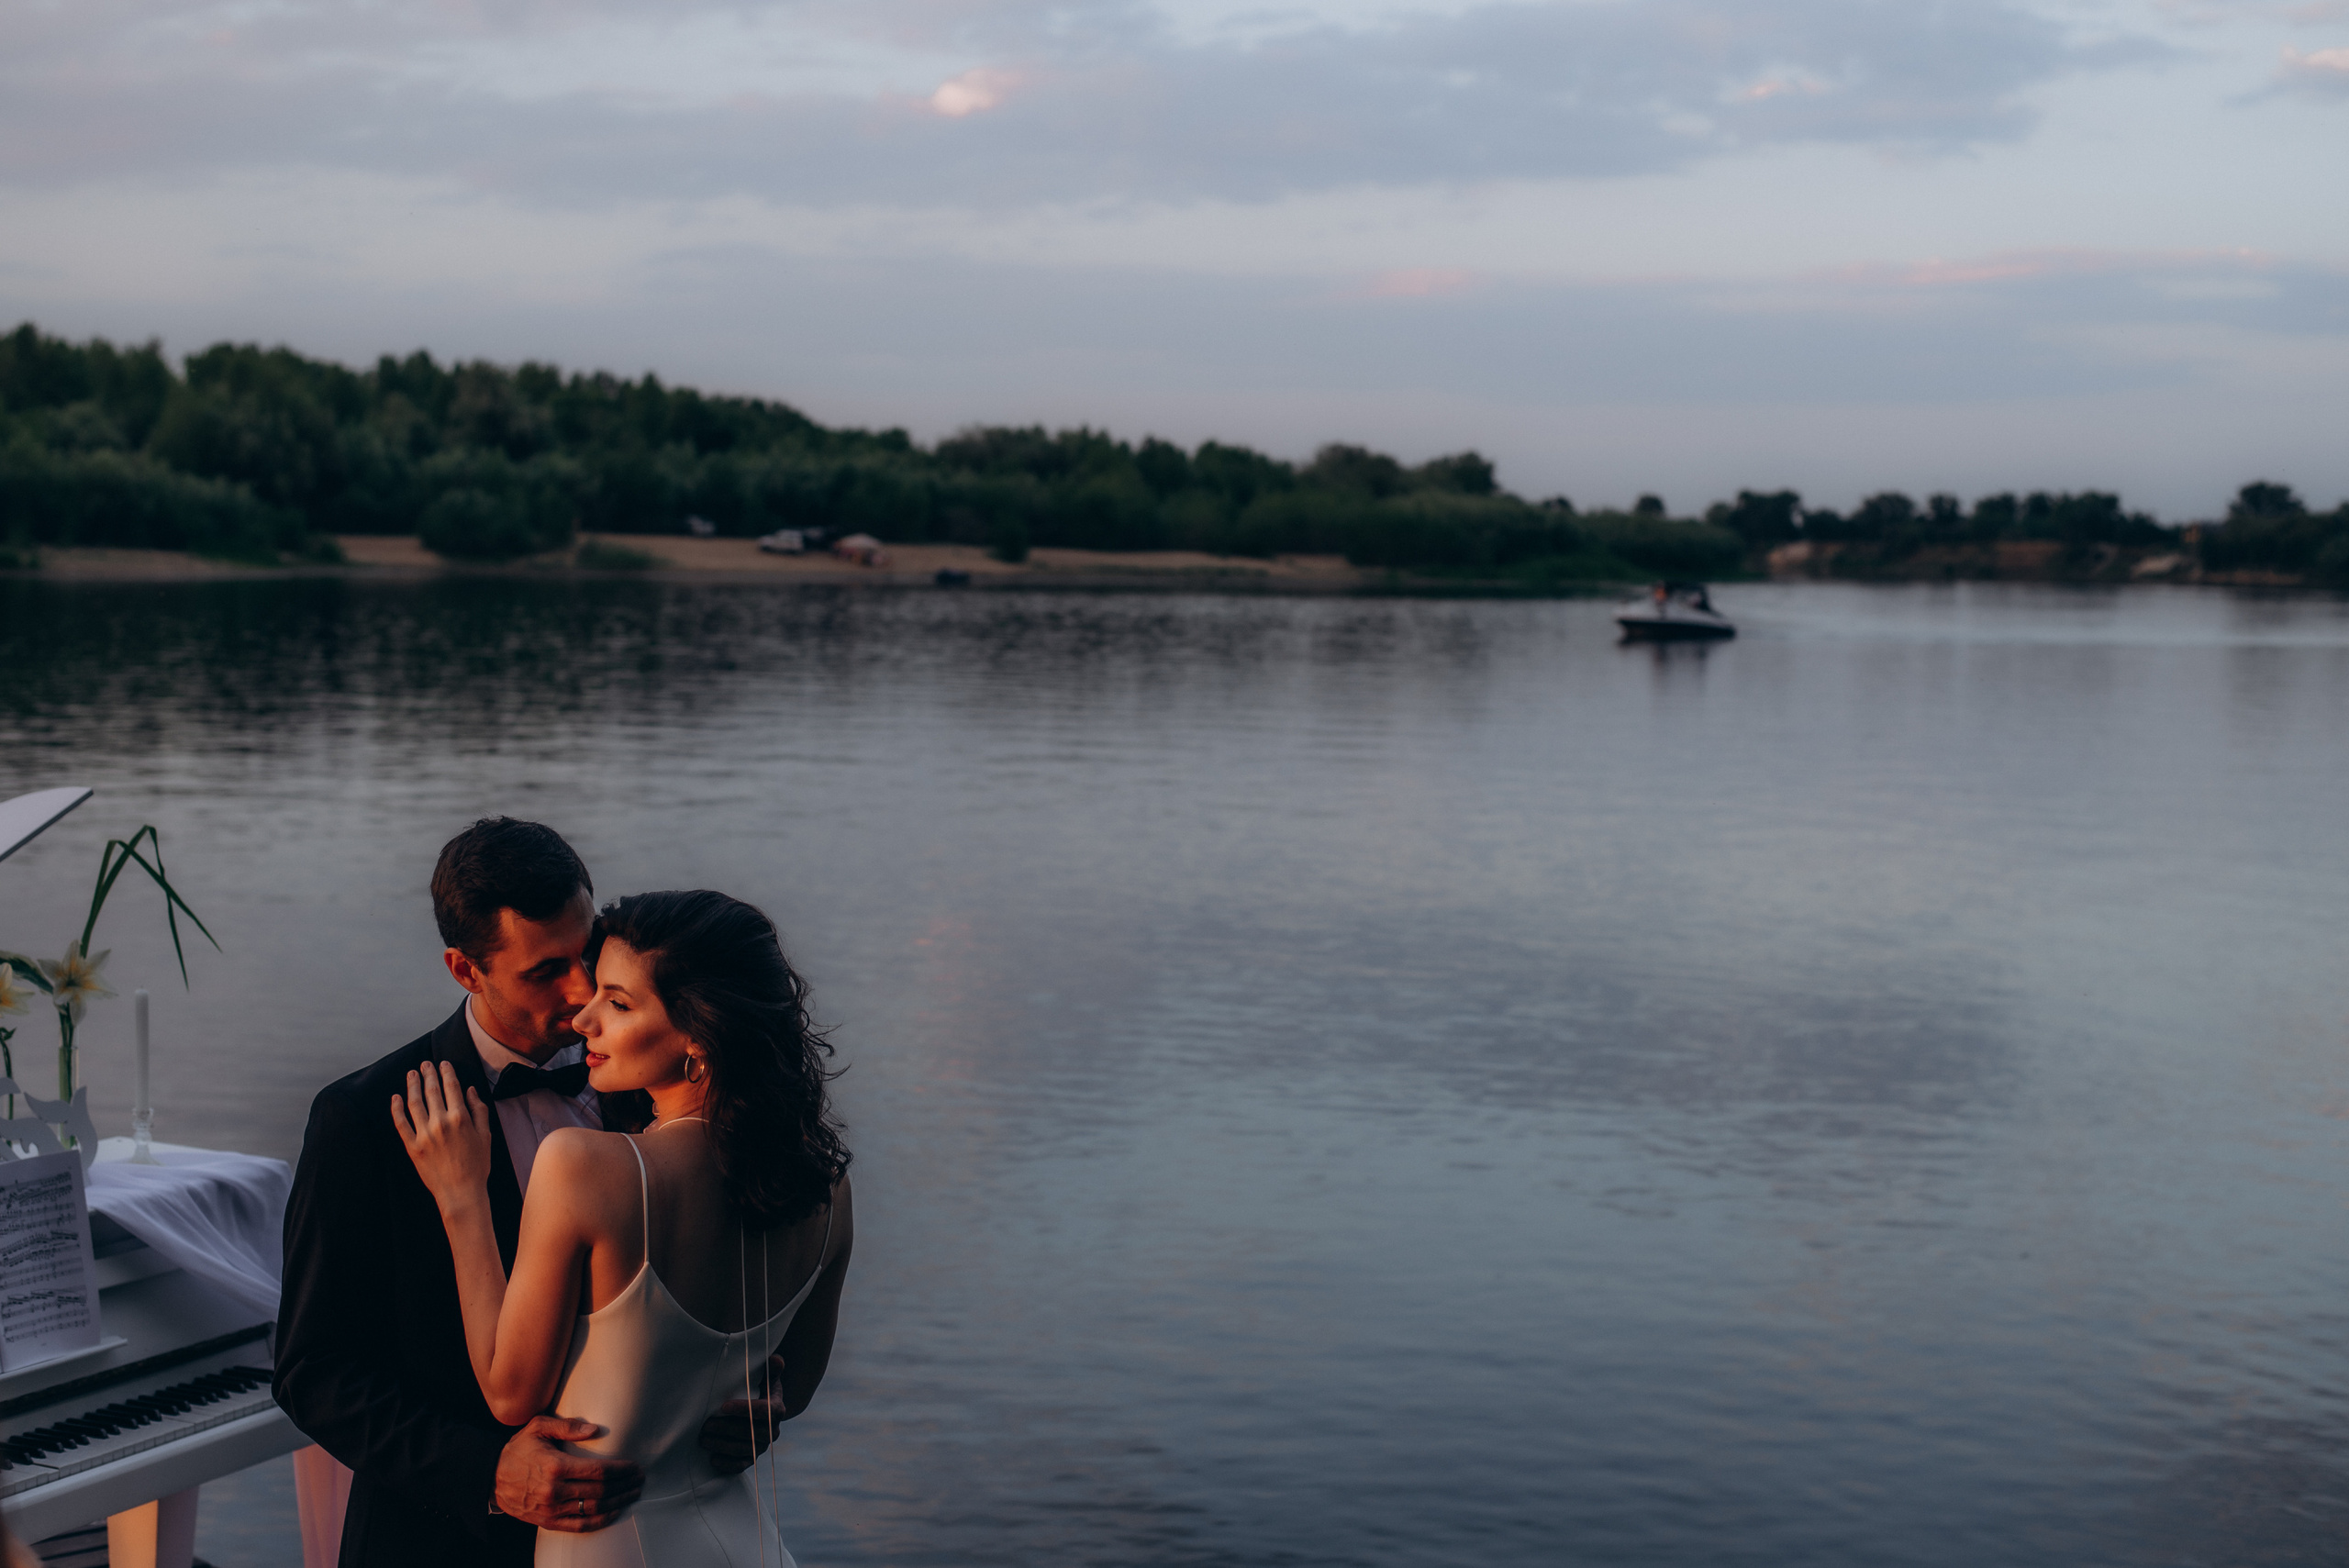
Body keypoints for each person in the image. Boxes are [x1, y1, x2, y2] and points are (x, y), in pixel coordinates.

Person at [275, 820, 795, 1568]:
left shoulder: (652, 1084)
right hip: (444, 1543)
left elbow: (707, 1286)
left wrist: (753, 1385)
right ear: (465, 969)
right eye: (545, 970)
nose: (583, 992)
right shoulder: (362, 1118)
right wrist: (487, 1473)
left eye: (588, 954)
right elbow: (312, 1371)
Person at [392, 889, 852, 1568]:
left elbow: (510, 1390)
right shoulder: (829, 1186)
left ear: (700, 1035)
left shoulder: (588, 1168)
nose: (584, 1018)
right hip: (748, 1538)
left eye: (618, 1001)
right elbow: (793, 1386)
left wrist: (463, 1196)